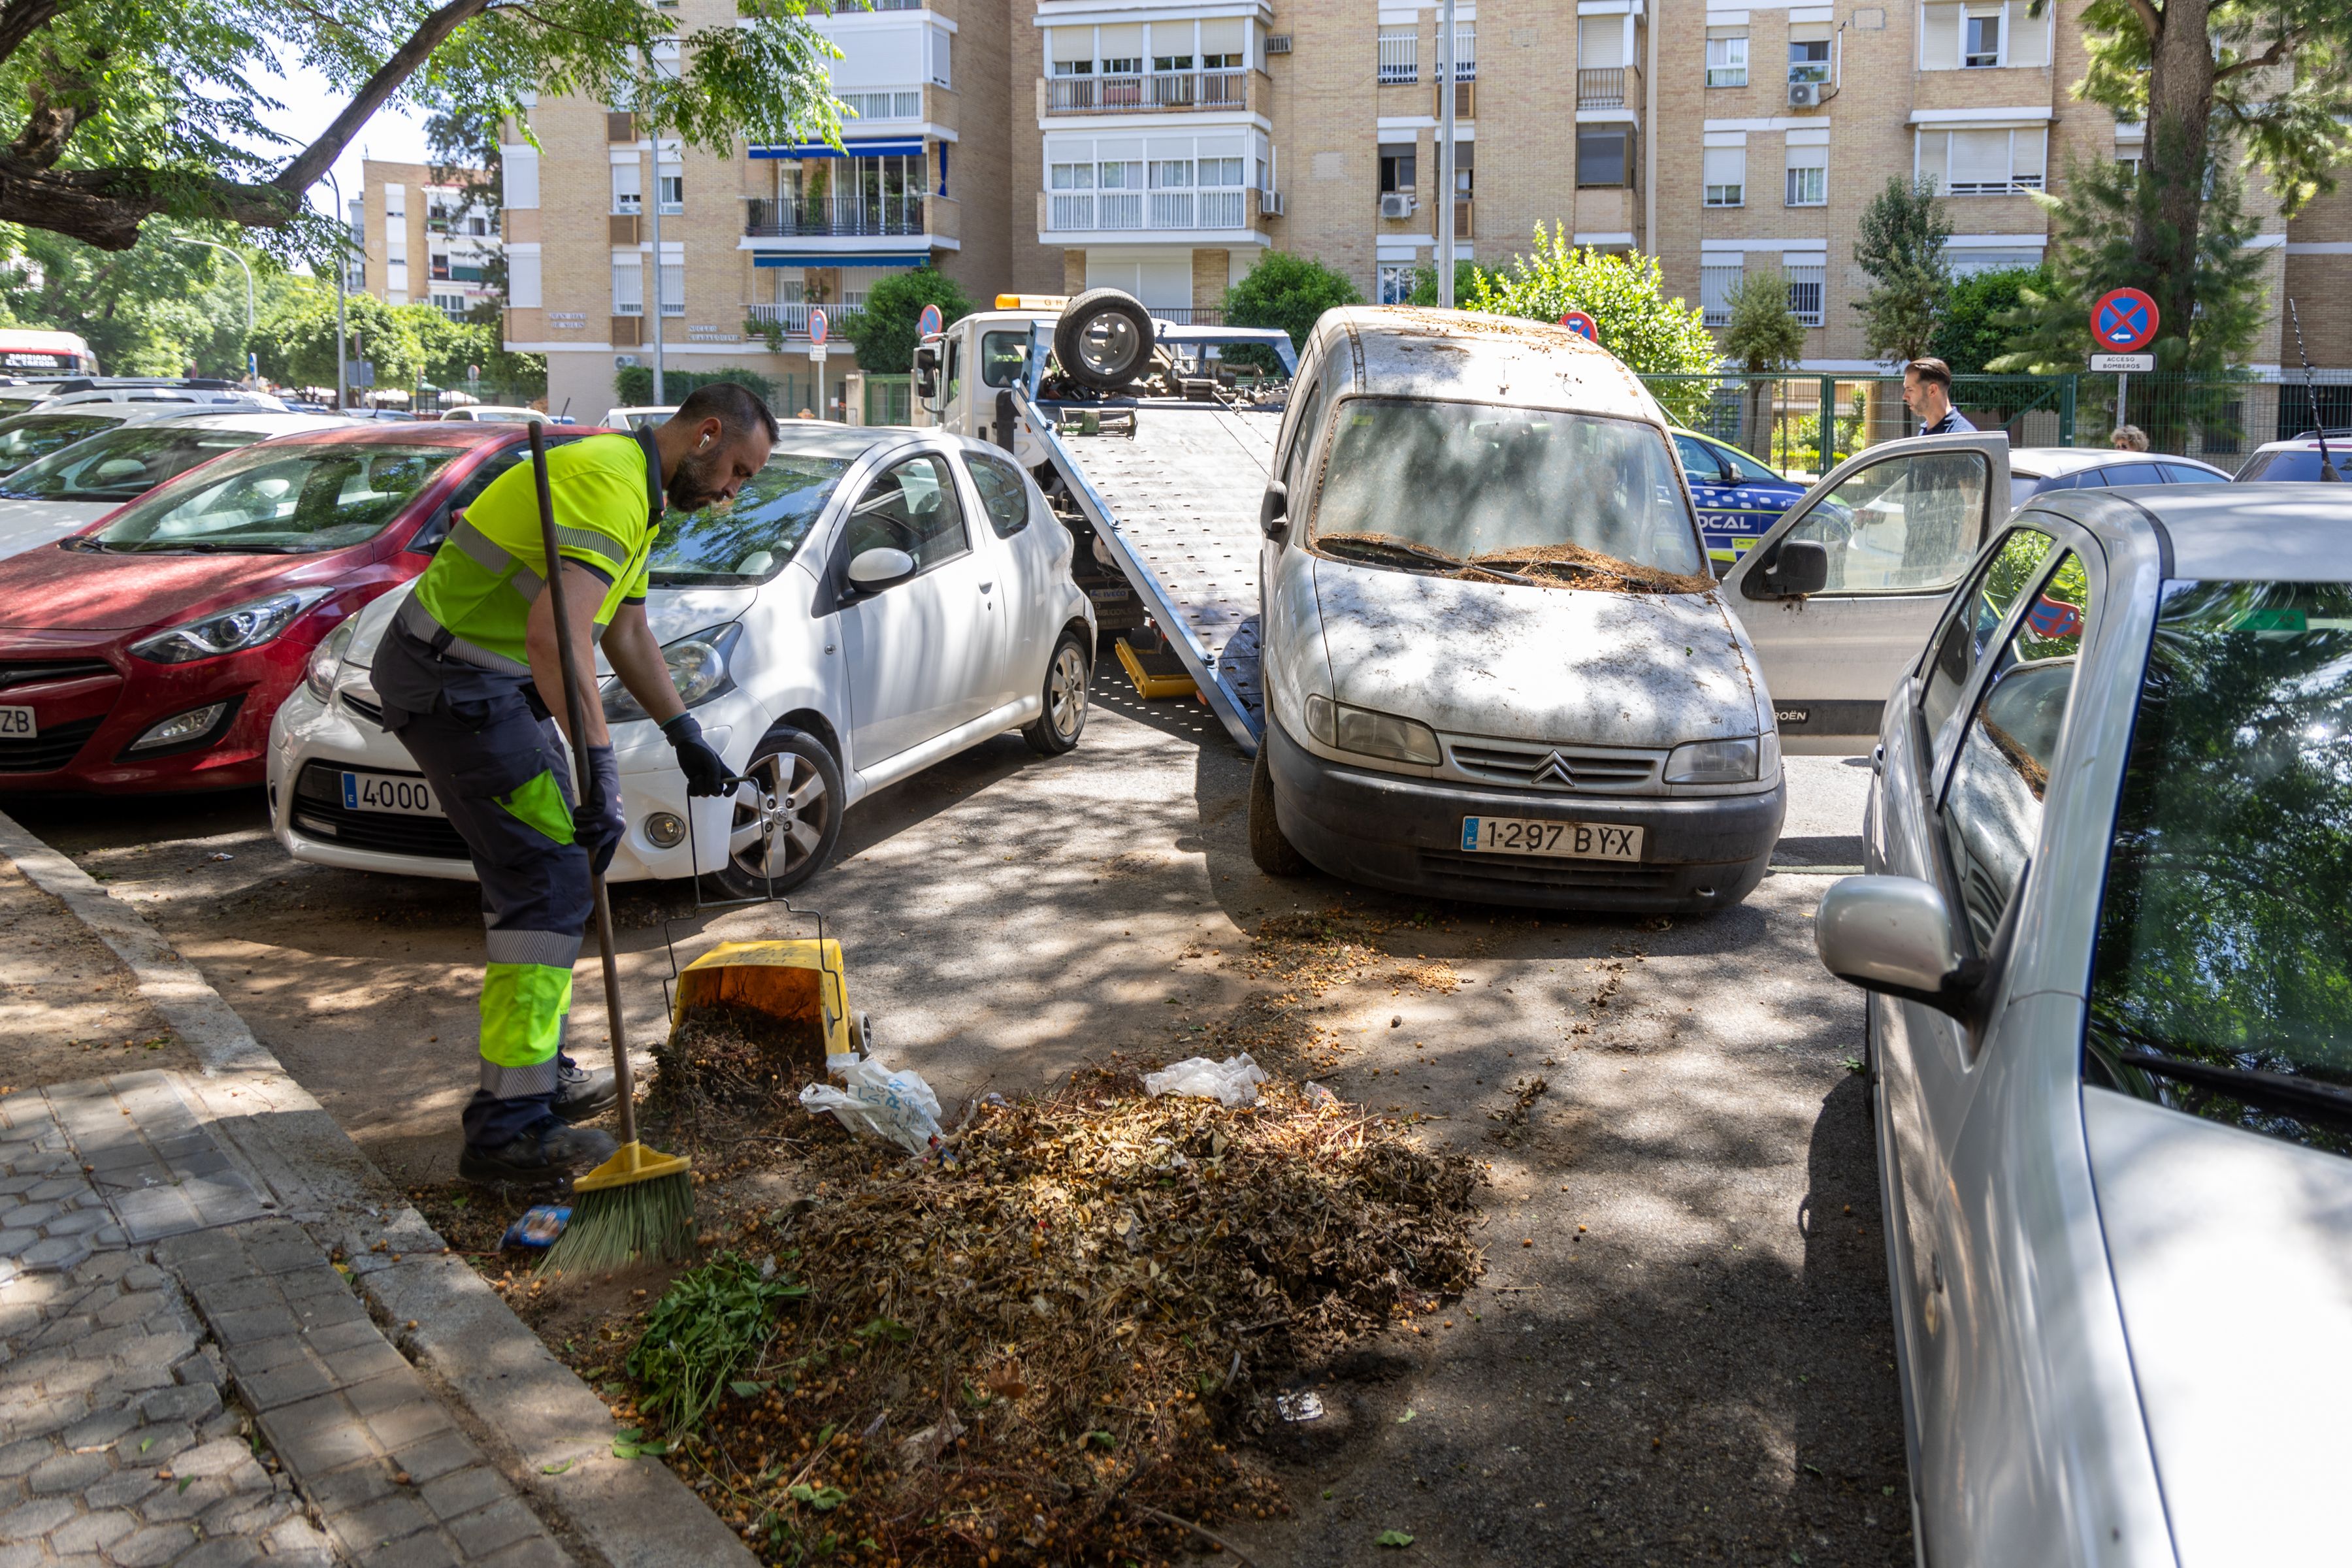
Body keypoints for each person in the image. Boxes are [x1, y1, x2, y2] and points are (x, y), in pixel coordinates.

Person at [370, 383, 778, 1183]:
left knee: (551, 875)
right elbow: (554, 639)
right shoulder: (609, 483)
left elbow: (627, 629)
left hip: (494, 685)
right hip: (455, 684)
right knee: (549, 880)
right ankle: (508, 1130)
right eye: (738, 470)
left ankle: (534, 1075)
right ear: (705, 435)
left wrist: (685, 734)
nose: (733, 492)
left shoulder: (641, 496)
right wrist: (602, 771)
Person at [1903, 358, 1976, 435]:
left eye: (1910, 389)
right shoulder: (1925, 431)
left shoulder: (1962, 435)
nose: (1904, 397)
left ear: (1932, 390)